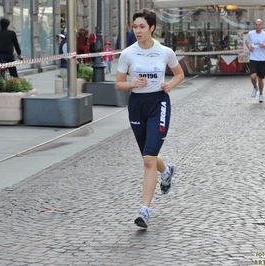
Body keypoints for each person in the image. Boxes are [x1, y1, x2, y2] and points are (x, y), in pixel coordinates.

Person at [115, 9, 184, 228]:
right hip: (137, 105)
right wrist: (133, 84)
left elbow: (180, 74)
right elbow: (118, 84)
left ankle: (144, 211)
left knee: (147, 160)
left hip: (159, 103)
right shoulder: (127, 53)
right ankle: (166, 170)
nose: (137, 30)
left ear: (152, 28)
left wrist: (169, 85)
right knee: (149, 155)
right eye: (135, 27)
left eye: (142, 26)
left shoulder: (165, 52)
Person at [245, 19, 265, 103]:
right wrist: (249, 47)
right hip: (253, 58)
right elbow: (246, 41)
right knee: (253, 76)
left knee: (260, 79)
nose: (257, 26)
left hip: (263, 59)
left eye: (259, 25)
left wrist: (264, 46)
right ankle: (254, 87)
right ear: (254, 25)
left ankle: (261, 94)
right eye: (256, 24)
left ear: (262, 25)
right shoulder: (251, 33)